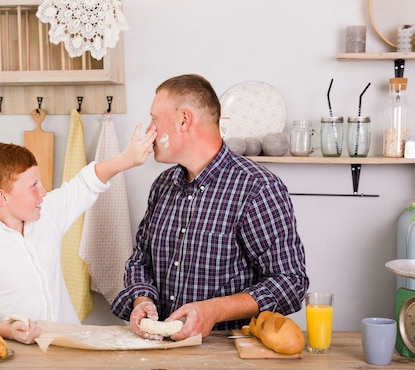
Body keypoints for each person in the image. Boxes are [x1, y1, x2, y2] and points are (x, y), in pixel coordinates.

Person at [111, 74, 309, 341]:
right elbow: (140, 262)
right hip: (158, 357)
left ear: (184, 120)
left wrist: (214, 310)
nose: (150, 130)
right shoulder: (162, 186)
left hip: (228, 360)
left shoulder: (257, 188)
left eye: (155, 119)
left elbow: (290, 283)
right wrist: (142, 299)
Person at [0, 127, 155, 344]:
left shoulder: (45, 213)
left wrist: (126, 160)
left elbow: (85, 183)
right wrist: (10, 330)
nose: (43, 192)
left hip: (70, 343)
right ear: (2, 197)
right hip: (19, 354)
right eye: (33, 186)